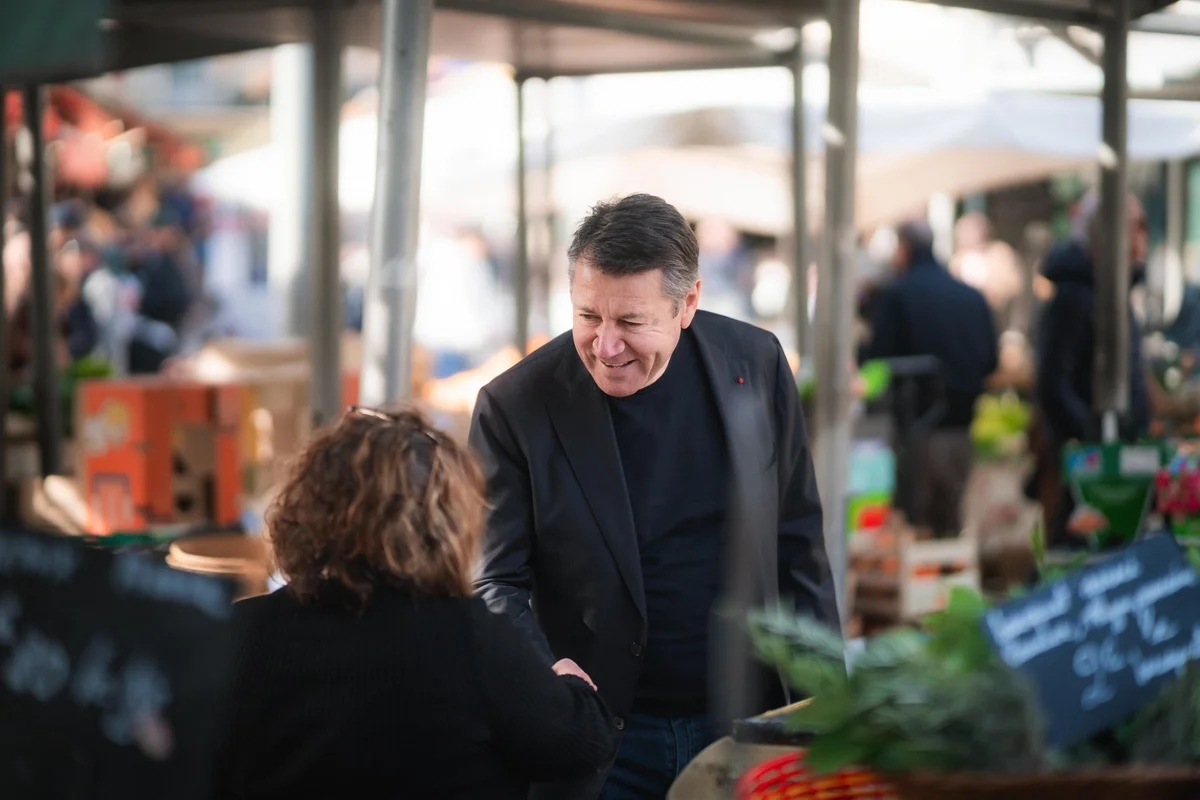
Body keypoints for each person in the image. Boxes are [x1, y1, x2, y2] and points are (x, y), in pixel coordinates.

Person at [470, 194, 838, 800]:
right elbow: (494, 581)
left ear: (688, 303)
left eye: (631, 322)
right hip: (601, 741)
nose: (605, 345)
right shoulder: (515, 405)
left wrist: (827, 703)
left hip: (748, 722)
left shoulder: (756, 362)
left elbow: (797, 543)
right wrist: (541, 669)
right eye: (588, 316)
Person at [220, 407, 617, 800]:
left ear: (303, 509)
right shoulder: (470, 638)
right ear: (442, 523)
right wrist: (569, 685)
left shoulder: (239, 630)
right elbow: (580, 747)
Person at [859, 220, 998, 538]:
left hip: (917, 427)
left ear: (904, 249)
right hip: (964, 425)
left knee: (917, 528)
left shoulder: (897, 294)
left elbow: (878, 359)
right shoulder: (971, 296)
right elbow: (991, 360)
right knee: (953, 524)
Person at [1033, 192, 1150, 548]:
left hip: (1110, 454)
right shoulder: (1076, 296)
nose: (1143, 237)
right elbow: (1053, 382)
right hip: (1089, 457)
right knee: (1076, 545)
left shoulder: (1112, 289)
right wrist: (1090, 436)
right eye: (1137, 226)